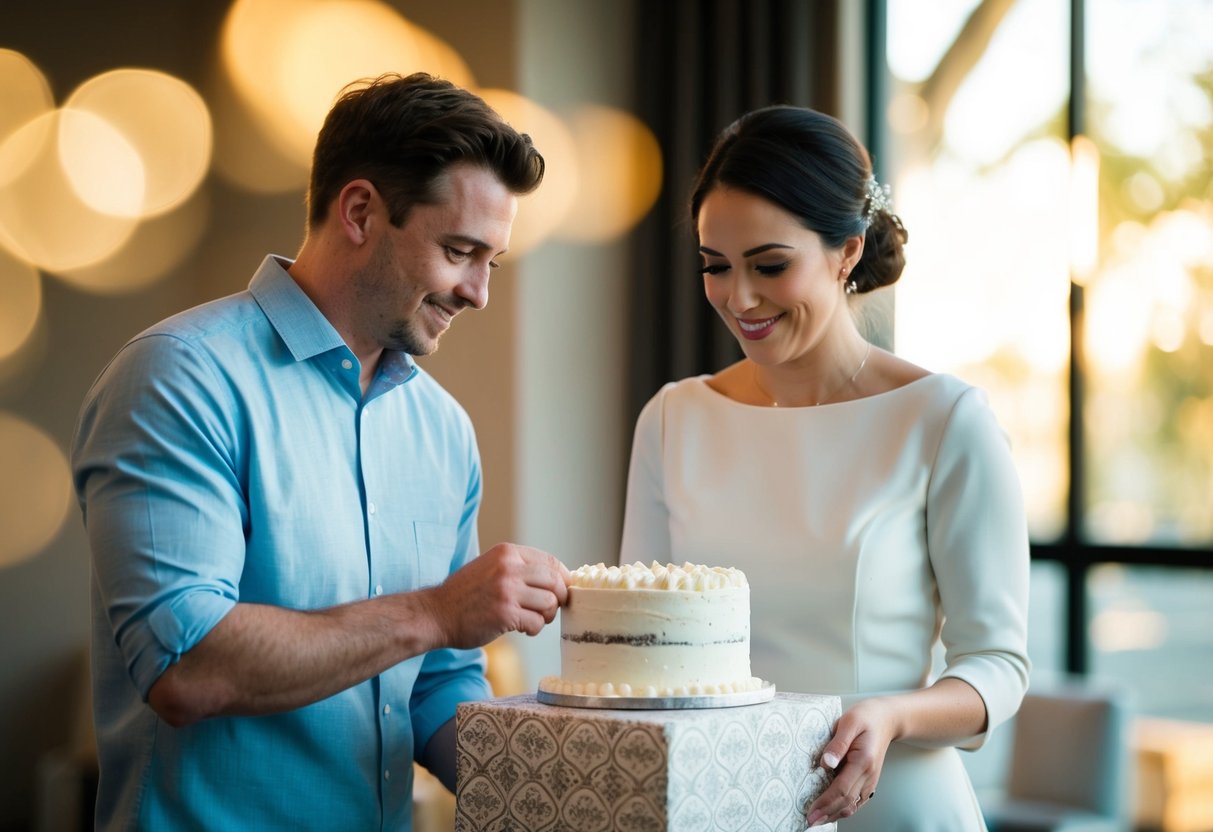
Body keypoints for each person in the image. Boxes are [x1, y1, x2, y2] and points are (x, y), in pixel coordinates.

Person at [71, 72, 570, 830]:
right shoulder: (178, 377)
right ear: (361, 211)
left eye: (490, 263)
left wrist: (574, 791)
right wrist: (436, 612)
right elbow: (185, 665)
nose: (478, 293)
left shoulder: (442, 431)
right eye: (460, 251)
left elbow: (436, 684)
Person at [619, 105, 1030, 829]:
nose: (738, 298)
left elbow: (997, 666)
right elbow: (643, 649)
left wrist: (892, 716)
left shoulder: (942, 420)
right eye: (716, 267)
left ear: (846, 251)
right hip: (718, 808)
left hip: (893, 806)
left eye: (769, 265)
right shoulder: (671, 420)